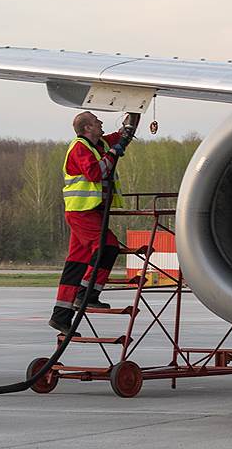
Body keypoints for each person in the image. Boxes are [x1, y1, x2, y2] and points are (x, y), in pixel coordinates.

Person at [49, 111, 135, 336]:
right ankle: (87, 294)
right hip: (82, 211)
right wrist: (114, 152)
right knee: (108, 246)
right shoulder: (80, 147)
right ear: (87, 128)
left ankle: (61, 316)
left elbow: (120, 138)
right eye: (97, 121)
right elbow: (95, 173)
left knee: (76, 264)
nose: (101, 123)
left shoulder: (99, 144)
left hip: (89, 211)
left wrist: (131, 123)